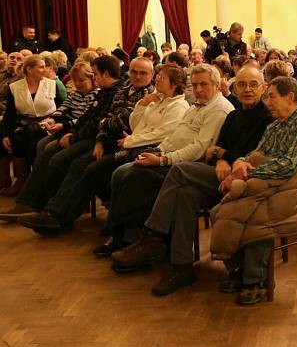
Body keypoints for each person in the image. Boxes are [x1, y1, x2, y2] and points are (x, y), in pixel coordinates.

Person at [106, 68, 278, 300]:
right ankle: (182, 266)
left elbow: (252, 154)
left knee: (177, 171)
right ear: (234, 88)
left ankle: (152, 236)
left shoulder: (267, 119)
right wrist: (221, 157)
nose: (247, 90)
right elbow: (214, 151)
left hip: (245, 181)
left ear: (263, 87)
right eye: (242, 85)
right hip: (219, 175)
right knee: (185, 194)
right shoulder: (234, 116)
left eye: (253, 84)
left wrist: (223, 156)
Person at [16, 64, 189, 236]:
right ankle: (52, 211)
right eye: (134, 72)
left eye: (146, 74)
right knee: (62, 156)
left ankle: (60, 213)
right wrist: (141, 106)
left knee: (81, 165)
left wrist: (127, 139)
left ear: (171, 83)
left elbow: (148, 130)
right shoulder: (149, 97)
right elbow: (133, 123)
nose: (137, 76)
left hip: (136, 146)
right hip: (118, 141)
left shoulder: (173, 104)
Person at [96, 64, 234, 253]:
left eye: (204, 84)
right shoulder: (197, 106)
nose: (198, 89)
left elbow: (199, 149)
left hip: (187, 165)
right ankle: (124, 234)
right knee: (121, 172)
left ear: (217, 85)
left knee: (133, 175)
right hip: (167, 154)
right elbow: (174, 135)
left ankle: (126, 237)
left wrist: (162, 159)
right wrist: (158, 151)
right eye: (194, 85)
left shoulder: (218, 109)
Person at [0, 55, 125, 221]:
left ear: (105, 74)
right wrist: (66, 128)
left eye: (94, 74)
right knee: (43, 146)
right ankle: (32, 202)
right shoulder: (105, 92)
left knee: (57, 156)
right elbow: (85, 116)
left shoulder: (114, 92)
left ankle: (50, 207)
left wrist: (73, 135)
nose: (93, 78)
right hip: (83, 132)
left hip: (99, 138)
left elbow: (99, 123)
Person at [0, 55, 62, 194]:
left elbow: (64, 108)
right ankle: (22, 180)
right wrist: (5, 135)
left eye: (45, 66)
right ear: (29, 69)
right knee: (16, 138)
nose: (45, 69)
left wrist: (55, 121)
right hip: (24, 124)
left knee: (32, 138)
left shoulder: (52, 84)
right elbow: (9, 114)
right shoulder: (14, 87)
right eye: (41, 67)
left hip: (49, 125)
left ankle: (38, 184)